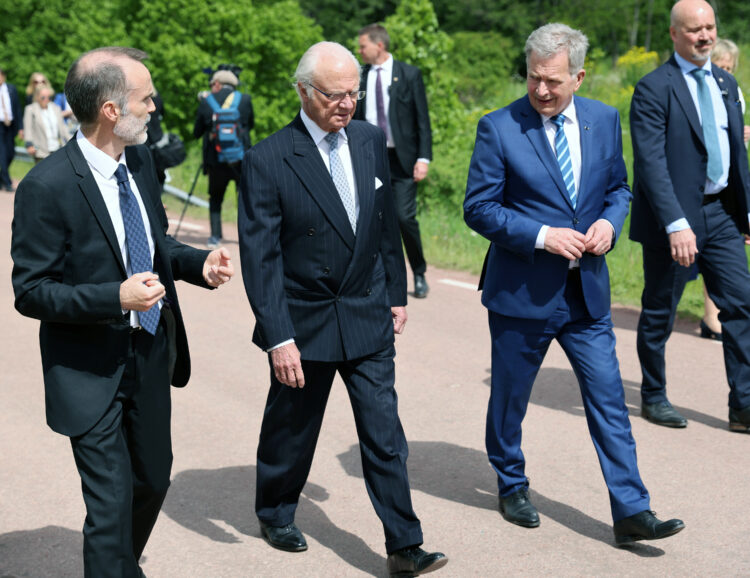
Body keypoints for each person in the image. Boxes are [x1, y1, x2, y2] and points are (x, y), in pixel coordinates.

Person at [10, 46, 235, 577]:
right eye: (146, 98)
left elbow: (154, 245)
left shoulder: (140, 162)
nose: (155, 107)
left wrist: (198, 264)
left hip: (151, 353)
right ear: (111, 109)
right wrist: (115, 297)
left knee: (153, 482)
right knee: (109, 507)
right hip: (88, 368)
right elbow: (31, 291)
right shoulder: (46, 186)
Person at [464, 22, 685, 546]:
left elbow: (619, 189)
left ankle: (632, 509)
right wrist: (541, 235)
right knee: (510, 399)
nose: (542, 90)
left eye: (554, 81)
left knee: (609, 399)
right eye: (534, 78)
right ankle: (511, 482)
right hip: (521, 294)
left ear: (579, 77)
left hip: (586, 293)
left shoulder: (605, 121)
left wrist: (610, 221)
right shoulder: (499, 127)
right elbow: (479, 207)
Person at [238, 41, 447, 576]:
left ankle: (404, 544)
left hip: (366, 310)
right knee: (293, 427)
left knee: (384, 432)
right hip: (303, 322)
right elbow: (260, 259)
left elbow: (382, 225)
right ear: (304, 92)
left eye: (354, 92)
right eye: (335, 94)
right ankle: (276, 510)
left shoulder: (370, 140)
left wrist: (395, 293)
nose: (347, 103)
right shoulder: (267, 157)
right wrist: (278, 336)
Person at [630, 0, 750, 433]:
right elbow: (650, 162)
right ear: (674, 34)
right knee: (661, 309)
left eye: (710, 27)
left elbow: (736, 153)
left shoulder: (724, 82)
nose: (705, 36)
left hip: (721, 214)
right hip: (674, 219)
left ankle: (744, 405)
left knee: (742, 305)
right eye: (695, 29)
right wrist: (676, 223)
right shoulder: (653, 87)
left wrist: (745, 213)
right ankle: (653, 395)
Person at [355, 24, 432, 298]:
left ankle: (419, 272)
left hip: (402, 160)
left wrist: (424, 158)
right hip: (370, 156)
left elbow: (422, 119)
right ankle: (377, 276)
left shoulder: (408, 74)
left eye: (363, 45)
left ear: (379, 45)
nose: (359, 50)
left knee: (403, 217)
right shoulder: (359, 76)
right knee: (369, 218)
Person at [694, 37, 750, 341]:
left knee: (727, 253)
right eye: (720, 64)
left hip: (729, 183)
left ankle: (716, 316)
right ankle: (710, 316)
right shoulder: (694, 88)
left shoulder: (733, 89)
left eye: (729, 66)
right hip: (701, 184)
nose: (724, 69)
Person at [193, 68, 253, 249]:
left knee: (216, 198)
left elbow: (197, 133)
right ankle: (246, 237)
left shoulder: (206, 102)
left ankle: (215, 237)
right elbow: (250, 125)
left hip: (215, 159)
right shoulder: (245, 100)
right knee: (244, 198)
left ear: (217, 84)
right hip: (240, 159)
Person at [23, 84, 69, 162]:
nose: (46, 100)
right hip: (41, 151)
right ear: (37, 97)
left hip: (57, 148)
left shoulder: (56, 108)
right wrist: (29, 144)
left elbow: (63, 128)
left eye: (49, 97)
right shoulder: (30, 109)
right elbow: (28, 129)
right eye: (43, 97)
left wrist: (72, 141)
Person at [0, 66, 23, 192]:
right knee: (2, 154)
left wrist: (20, 128)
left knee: (10, 153)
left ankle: (1, 178)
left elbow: (17, 109)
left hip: (10, 125)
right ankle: (7, 182)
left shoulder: (11, 89)